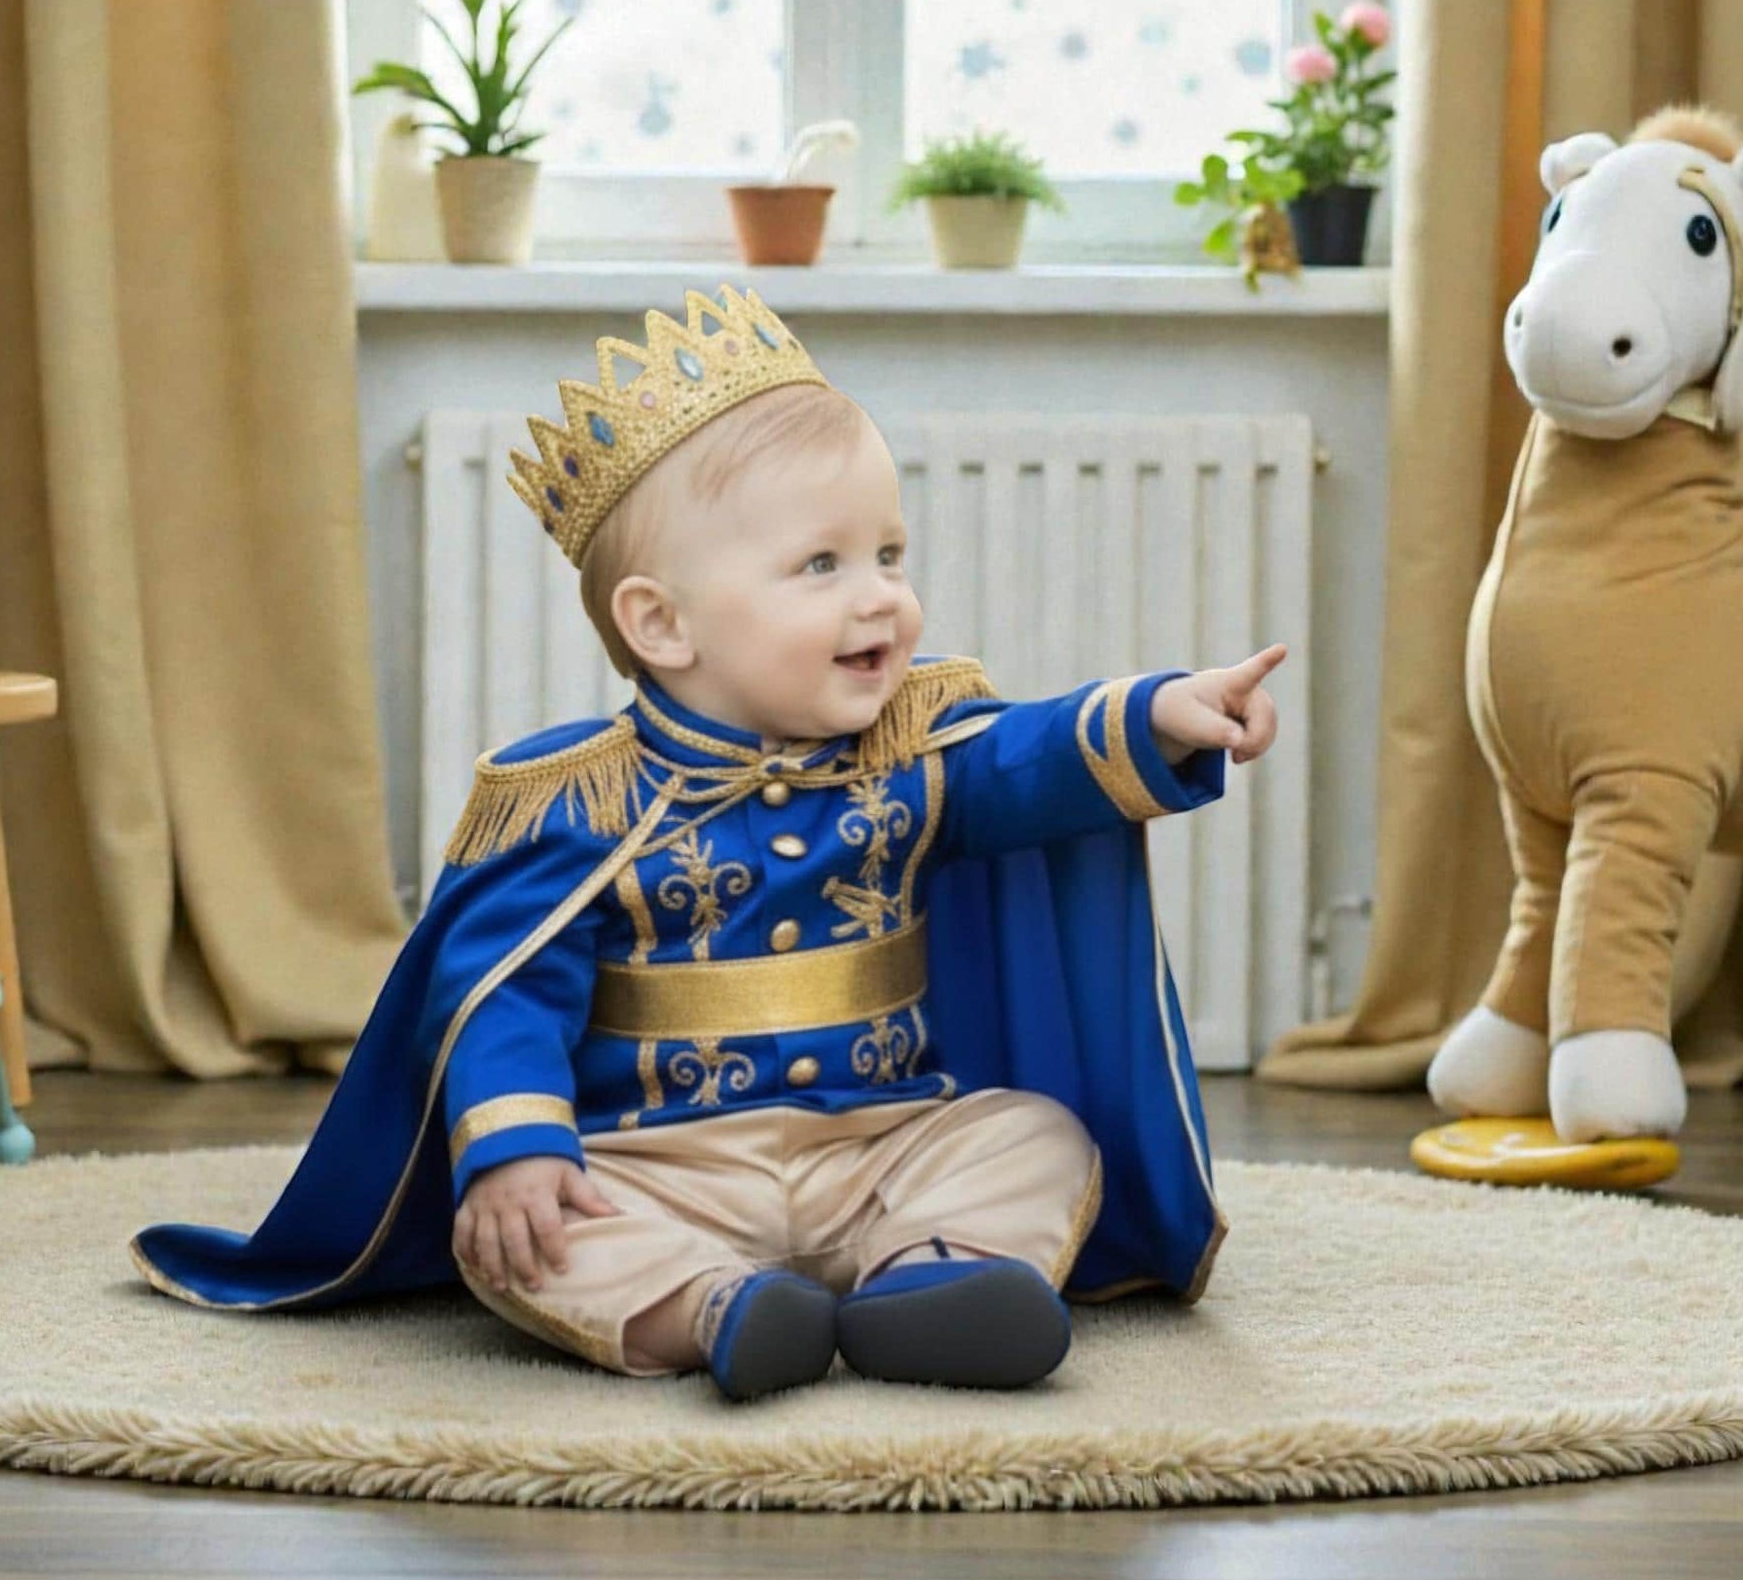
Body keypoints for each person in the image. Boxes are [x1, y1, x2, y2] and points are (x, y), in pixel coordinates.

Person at [133, 286, 1283, 1402]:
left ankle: (932, 1273)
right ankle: (713, 1307)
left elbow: (1026, 758)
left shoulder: (912, 753)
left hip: (880, 1144)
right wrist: (517, 1148)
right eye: (821, 565)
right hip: (654, 1167)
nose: (880, 598)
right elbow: (499, 993)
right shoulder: (577, 799)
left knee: (1034, 1135)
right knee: (519, 1233)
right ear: (660, 623)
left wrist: (1159, 712)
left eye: (888, 553)